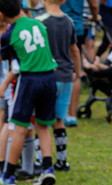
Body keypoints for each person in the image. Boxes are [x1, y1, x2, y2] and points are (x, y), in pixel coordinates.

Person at [0, 0, 58, 185]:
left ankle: (8, 176)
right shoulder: (38, 24)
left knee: (19, 128)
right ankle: (47, 168)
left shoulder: (9, 34)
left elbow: (6, 57)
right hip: (49, 77)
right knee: (43, 125)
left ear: (1, 14)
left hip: (29, 80)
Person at [36, 0, 80, 172]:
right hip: (66, 75)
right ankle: (62, 160)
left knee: (42, 120)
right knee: (59, 120)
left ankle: (40, 159)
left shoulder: (40, 21)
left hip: (48, 76)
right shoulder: (69, 21)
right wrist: (78, 71)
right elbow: (74, 50)